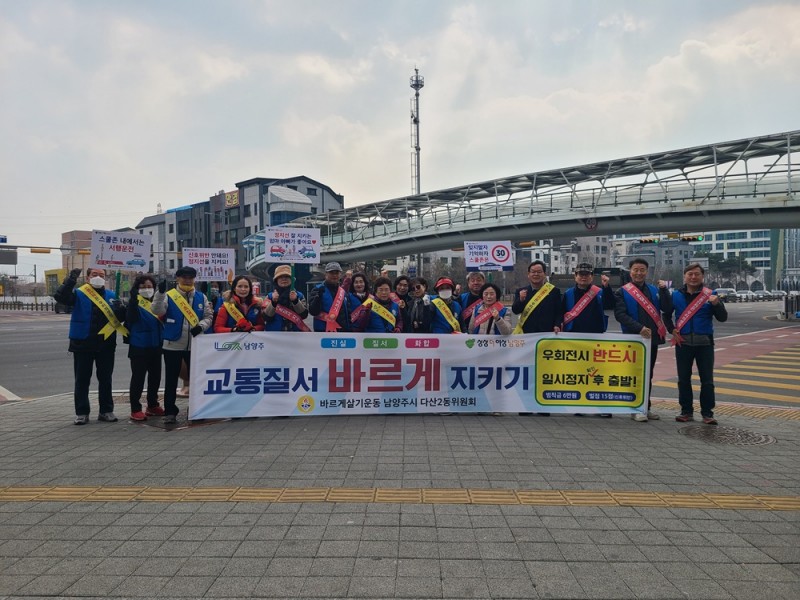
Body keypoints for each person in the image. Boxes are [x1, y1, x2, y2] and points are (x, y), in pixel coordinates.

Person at [53, 267, 127, 425]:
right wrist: (71, 280)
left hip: (106, 344)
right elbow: (61, 297)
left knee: (105, 379)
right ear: (87, 278)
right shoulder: (79, 293)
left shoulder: (112, 295)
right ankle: (82, 412)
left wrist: (121, 309)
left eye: (101, 275)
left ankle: (106, 411)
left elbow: (120, 318)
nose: (98, 277)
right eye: (94, 275)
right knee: (82, 380)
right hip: (83, 343)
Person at [664, 263, 728, 425]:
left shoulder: (711, 294)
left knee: (707, 381)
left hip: (705, 344)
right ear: (684, 276)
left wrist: (717, 304)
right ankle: (686, 411)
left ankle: (707, 413)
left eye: (697, 274)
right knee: (683, 379)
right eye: (690, 274)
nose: (693, 277)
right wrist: (671, 329)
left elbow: (722, 318)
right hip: (683, 343)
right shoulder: (676, 295)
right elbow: (666, 315)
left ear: (702, 276)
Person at [613, 258, 672, 422]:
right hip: (633, 340)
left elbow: (667, 308)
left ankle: (646, 406)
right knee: (634, 375)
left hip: (651, 340)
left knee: (648, 374)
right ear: (630, 271)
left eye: (642, 270)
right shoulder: (622, 292)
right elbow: (620, 315)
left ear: (647, 272)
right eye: (635, 270)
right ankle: (635, 408)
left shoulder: (655, 290)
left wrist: (664, 291)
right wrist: (639, 328)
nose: (639, 273)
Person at [151, 266, 213, 424]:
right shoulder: (169, 295)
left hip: (195, 345)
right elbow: (157, 310)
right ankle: (170, 412)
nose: (187, 280)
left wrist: (201, 326)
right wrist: (159, 293)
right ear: (178, 278)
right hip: (172, 343)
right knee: (171, 380)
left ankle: (196, 409)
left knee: (196, 379)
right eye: (184, 277)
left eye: (190, 277)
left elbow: (208, 316)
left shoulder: (201, 297)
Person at [561, 263, 615, 418]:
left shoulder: (599, 292)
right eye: (580, 274)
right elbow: (561, 312)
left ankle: (601, 406)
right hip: (574, 338)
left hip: (595, 338)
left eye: (586, 274)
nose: (583, 277)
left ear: (592, 276)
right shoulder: (568, 294)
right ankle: (579, 404)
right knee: (578, 373)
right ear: (575, 276)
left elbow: (610, 304)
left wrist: (607, 287)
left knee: (597, 373)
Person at [511, 260, 562, 416]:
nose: (536, 274)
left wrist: (557, 324)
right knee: (526, 371)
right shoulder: (522, 291)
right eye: (533, 271)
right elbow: (515, 310)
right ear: (528, 274)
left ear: (544, 274)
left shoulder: (553, 291)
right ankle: (525, 405)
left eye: (539, 271)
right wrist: (521, 300)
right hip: (527, 338)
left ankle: (543, 405)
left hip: (546, 338)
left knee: (544, 371)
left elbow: (559, 311)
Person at [125, 274, 164, 421]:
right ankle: (135, 409)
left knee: (155, 377)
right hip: (139, 345)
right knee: (138, 378)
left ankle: (152, 405)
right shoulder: (134, 303)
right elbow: (130, 318)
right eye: (142, 287)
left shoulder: (157, 302)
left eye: (149, 287)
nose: (146, 289)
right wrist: (133, 300)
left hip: (156, 344)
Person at [309, 262, 355, 332]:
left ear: (340, 274)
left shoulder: (343, 292)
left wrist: (350, 329)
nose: (334, 275)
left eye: (337, 273)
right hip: (324, 332)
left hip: (343, 332)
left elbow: (348, 314)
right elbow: (313, 311)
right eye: (331, 273)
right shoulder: (318, 289)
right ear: (326, 274)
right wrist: (318, 298)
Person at [263, 265, 310, 332]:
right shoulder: (269, 297)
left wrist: (296, 301)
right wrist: (273, 303)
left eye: (287, 276)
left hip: (295, 335)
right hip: (274, 335)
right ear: (276, 280)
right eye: (280, 277)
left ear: (292, 279)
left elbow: (304, 315)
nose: (284, 279)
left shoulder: (299, 295)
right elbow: (266, 317)